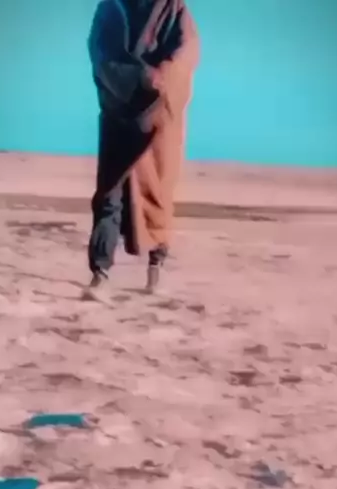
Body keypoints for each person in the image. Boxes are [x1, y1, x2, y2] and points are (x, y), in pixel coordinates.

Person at [86, 0, 199, 294]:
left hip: (160, 114)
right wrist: (140, 77)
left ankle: (155, 268)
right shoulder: (112, 7)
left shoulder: (173, 7)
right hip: (118, 110)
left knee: (158, 191)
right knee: (110, 194)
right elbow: (101, 54)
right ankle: (100, 273)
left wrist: (165, 74)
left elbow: (186, 49)